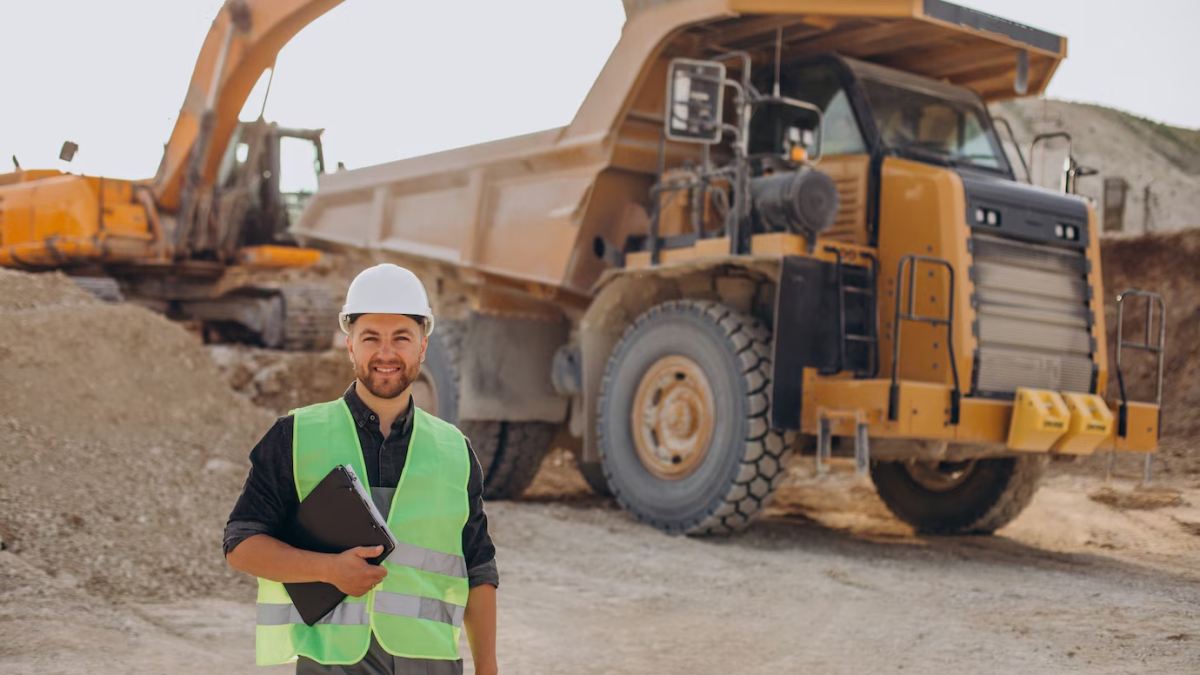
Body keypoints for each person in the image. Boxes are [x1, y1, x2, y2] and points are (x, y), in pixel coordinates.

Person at [224, 264, 498, 675]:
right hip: (332, 664)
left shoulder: (455, 450)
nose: (386, 353)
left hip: (431, 664)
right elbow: (241, 544)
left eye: (401, 338)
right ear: (350, 344)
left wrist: (488, 666)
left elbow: (478, 570)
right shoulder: (295, 436)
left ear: (422, 347)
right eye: (371, 338)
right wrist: (327, 570)